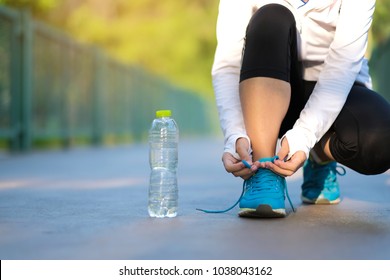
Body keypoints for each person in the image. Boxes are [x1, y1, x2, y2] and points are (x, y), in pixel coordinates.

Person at [210, 0, 390, 218]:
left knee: (381, 139)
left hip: (336, 87)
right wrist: (235, 134)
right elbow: (228, 64)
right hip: (269, 91)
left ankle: (318, 156)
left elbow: (343, 63)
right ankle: (264, 169)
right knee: (271, 17)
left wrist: (304, 139)